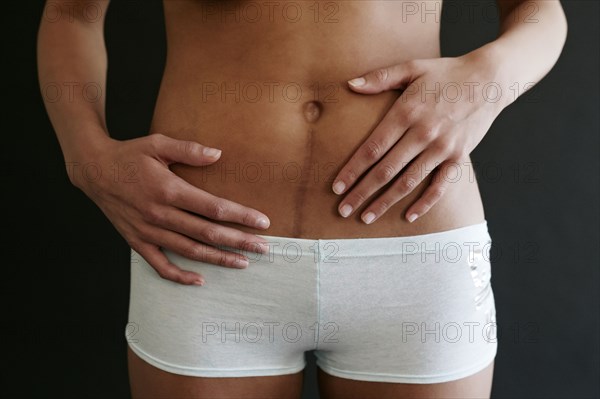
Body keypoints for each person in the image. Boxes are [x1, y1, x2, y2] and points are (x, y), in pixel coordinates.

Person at [37, 1, 567, 398]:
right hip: (203, 257)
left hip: (415, 253)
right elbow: (71, 14)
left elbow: (540, 11)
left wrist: (489, 79)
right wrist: (87, 157)